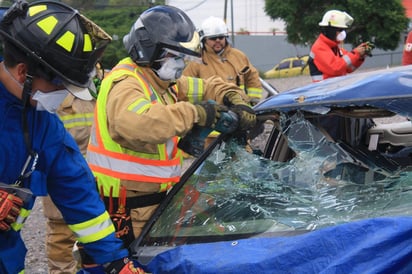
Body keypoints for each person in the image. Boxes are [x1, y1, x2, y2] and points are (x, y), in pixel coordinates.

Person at [86, 5, 256, 246]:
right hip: (127, 209)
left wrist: (234, 97)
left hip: (153, 200)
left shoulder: (163, 80)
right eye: (175, 56)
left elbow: (208, 86)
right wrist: (196, 113)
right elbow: (137, 123)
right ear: (150, 51)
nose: (181, 64)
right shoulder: (126, 83)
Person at [0, 1, 144, 273]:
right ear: (23, 72)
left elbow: (79, 195)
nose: (63, 94)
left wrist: (116, 262)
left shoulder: (46, 126)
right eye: (58, 84)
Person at [183, 16, 263, 103]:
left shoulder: (239, 56)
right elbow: (185, 87)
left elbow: (252, 77)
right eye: (213, 38)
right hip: (214, 112)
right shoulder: (196, 61)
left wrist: (253, 100)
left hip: (241, 107)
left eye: (221, 37)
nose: (217, 40)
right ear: (204, 39)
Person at [308, 10, 371, 82]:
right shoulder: (319, 47)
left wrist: (360, 56)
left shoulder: (335, 48)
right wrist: (355, 53)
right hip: (324, 90)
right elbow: (335, 68)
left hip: (335, 88)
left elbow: (349, 68)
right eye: (340, 30)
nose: (342, 33)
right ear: (330, 30)